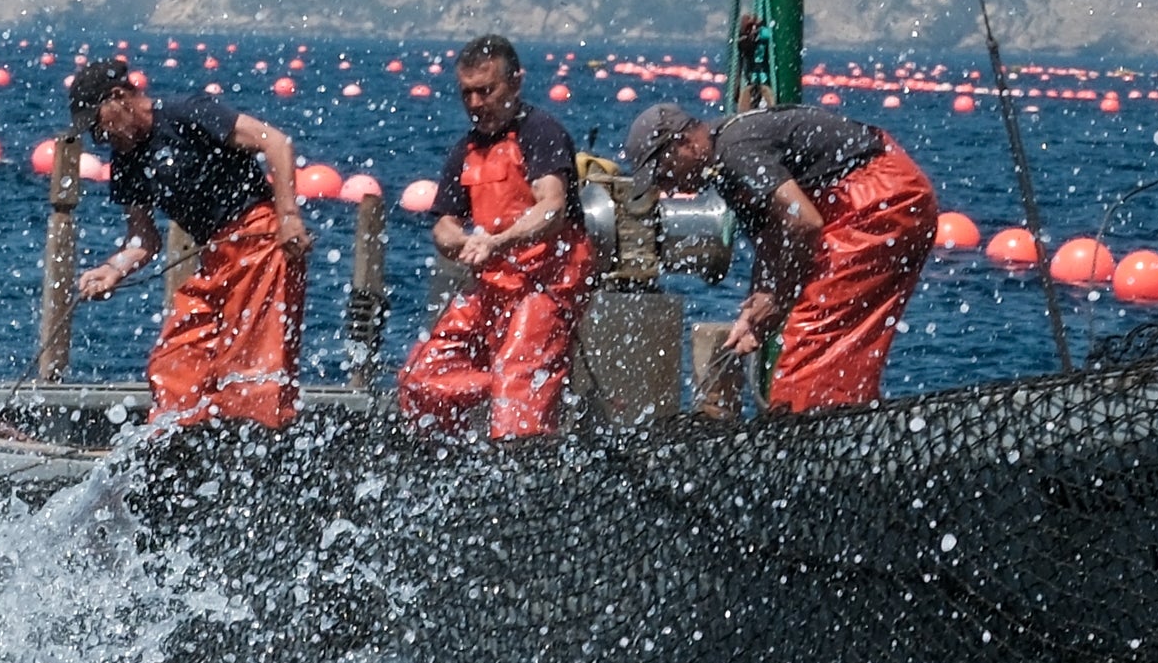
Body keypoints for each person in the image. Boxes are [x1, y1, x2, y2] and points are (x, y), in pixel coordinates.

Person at [625, 100, 938, 412]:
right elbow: (770, 237)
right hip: (877, 194)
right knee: (835, 343)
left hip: (881, 197)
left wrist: (777, 298)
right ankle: (846, 421)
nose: (668, 187)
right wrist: (754, 313)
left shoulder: (735, 150)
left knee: (814, 337)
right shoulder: (723, 166)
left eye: (663, 174)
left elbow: (804, 222)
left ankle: (812, 433)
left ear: (685, 143)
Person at [72, 60, 312, 427]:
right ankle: (181, 441)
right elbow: (143, 240)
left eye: (99, 127)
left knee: (251, 366)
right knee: (173, 359)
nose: (101, 140)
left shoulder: (187, 112)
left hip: (261, 241)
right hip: (215, 257)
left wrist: (289, 217)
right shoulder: (126, 161)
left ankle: (260, 443)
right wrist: (111, 270)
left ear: (118, 98)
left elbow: (274, 142)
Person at [395, 34, 591, 439]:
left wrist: (498, 242)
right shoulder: (463, 150)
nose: (475, 103)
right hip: (492, 288)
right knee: (420, 379)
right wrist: (460, 242)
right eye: (466, 93)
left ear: (515, 83)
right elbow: (443, 225)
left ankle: (523, 445)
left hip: (546, 284)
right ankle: (453, 452)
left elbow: (552, 208)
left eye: (486, 91)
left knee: (518, 379)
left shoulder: (541, 132)